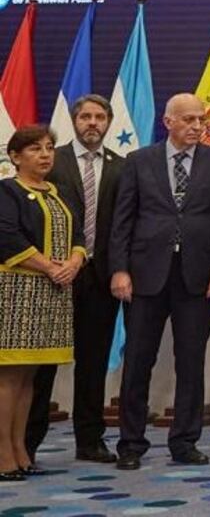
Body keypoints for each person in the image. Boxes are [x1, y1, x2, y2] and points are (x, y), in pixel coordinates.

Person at [110, 93, 210, 470]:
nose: (198, 126)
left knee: (191, 362)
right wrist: (119, 269)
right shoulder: (139, 161)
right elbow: (123, 221)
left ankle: (184, 441)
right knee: (137, 362)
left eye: (201, 120)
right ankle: (131, 443)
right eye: (189, 120)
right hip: (145, 276)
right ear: (168, 122)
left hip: (197, 278)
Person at [26, 96, 122, 464]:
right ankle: (28, 442)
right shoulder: (52, 161)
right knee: (43, 364)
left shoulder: (122, 166)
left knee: (93, 362)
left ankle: (89, 440)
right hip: (55, 276)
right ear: (75, 120)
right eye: (85, 117)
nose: (92, 123)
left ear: (109, 122)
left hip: (101, 278)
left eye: (100, 117)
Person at [0, 125, 85, 480]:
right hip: (18, 292)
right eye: (35, 149)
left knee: (29, 378)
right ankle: (3, 453)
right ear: (16, 157)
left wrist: (75, 261)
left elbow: (78, 235)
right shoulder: (8, 191)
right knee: (8, 377)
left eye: (49, 147)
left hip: (53, 294)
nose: (46, 154)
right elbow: (6, 234)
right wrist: (50, 266)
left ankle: (21, 448)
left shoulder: (59, 191)